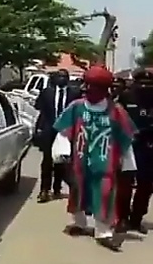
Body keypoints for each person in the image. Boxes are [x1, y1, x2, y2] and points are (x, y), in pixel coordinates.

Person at [53, 65, 136, 251]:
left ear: (104, 88)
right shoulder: (76, 107)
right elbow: (64, 132)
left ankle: (103, 231)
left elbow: (125, 137)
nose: (87, 89)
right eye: (87, 84)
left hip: (105, 164)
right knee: (78, 191)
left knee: (104, 194)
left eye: (92, 85)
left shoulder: (116, 111)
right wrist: (62, 152)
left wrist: (128, 163)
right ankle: (80, 223)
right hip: (80, 161)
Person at [34, 69, 81, 203]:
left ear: (68, 79)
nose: (61, 79)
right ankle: (44, 190)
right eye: (59, 76)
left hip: (67, 131)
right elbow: (40, 109)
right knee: (47, 160)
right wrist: (39, 129)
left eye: (64, 76)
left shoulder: (75, 93)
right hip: (50, 130)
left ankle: (57, 187)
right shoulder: (47, 93)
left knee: (62, 160)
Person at [116, 68, 153, 234]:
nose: (145, 86)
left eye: (149, 83)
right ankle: (122, 217)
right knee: (125, 184)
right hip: (129, 146)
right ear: (135, 83)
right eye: (142, 83)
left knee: (146, 185)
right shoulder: (126, 96)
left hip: (149, 146)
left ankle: (137, 219)